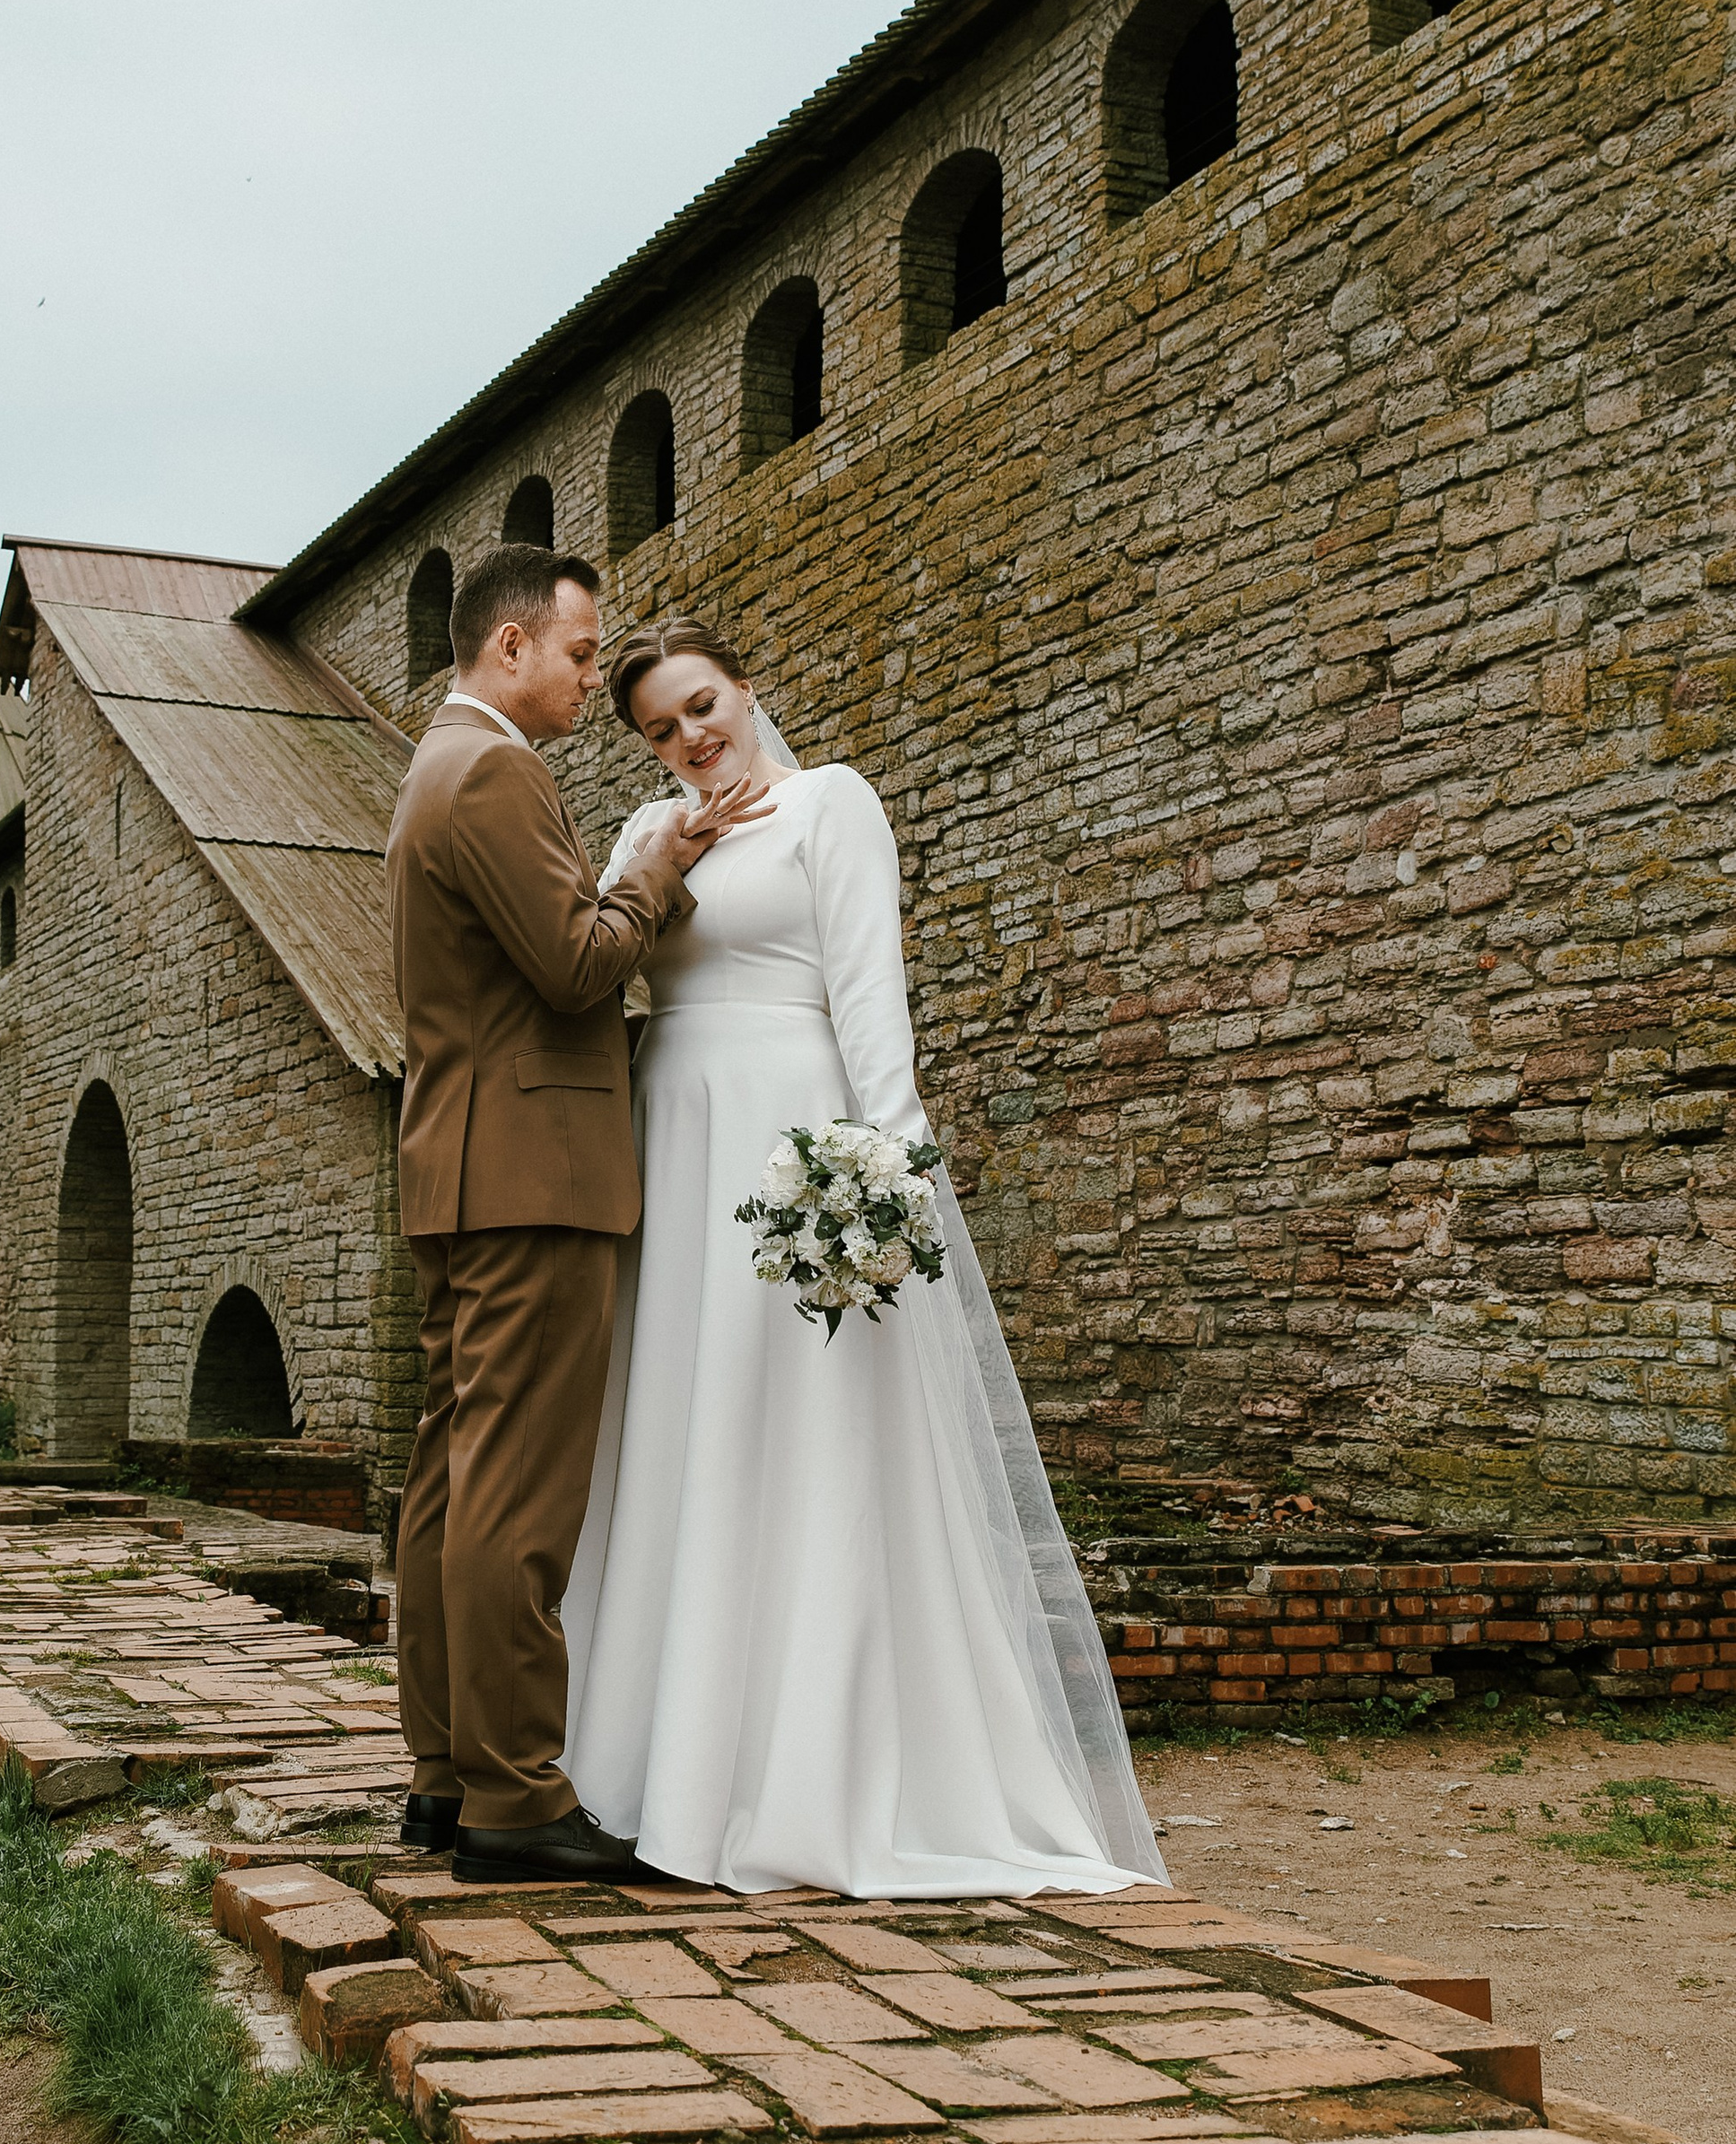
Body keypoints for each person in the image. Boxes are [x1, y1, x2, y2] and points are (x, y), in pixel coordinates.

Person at [561, 614, 1165, 1899]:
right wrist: (661, 857)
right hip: (671, 1134)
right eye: (662, 729)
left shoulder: (830, 805)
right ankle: (647, 1770)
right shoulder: (641, 834)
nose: (691, 739)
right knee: (678, 1422)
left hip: (794, 1125)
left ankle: (804, 1775)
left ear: (744, 686)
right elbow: (604, 972)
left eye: (703, 705)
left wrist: (889, 1176)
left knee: (800, 1424)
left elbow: (868, 994)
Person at [384, 545, 767, 1887]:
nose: (592, 676)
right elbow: (575, 965)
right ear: (508, 649)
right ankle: (512, 1795)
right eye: (582, 652)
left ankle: (444, 1769)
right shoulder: (491, 769)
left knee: (450, 1479)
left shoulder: (439, 763)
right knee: (515, 1493)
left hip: (466, 1164)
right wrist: (658, 866)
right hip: (533, 1169)